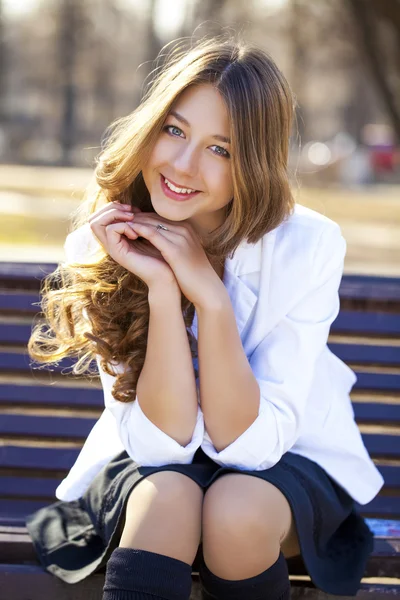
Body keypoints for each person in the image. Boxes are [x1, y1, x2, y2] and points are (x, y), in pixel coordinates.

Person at [25, 33, 384, 600]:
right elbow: (161, 447)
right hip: (153, 464)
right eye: (174, 130)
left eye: (223, 149)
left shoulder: (307, 245)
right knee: (170, 497)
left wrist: (212, 300)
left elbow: (252, 448)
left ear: (255, 163)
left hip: (287, 456)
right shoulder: (108, 240)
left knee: (233, 508)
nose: (184, 165)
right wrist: (164, 290)